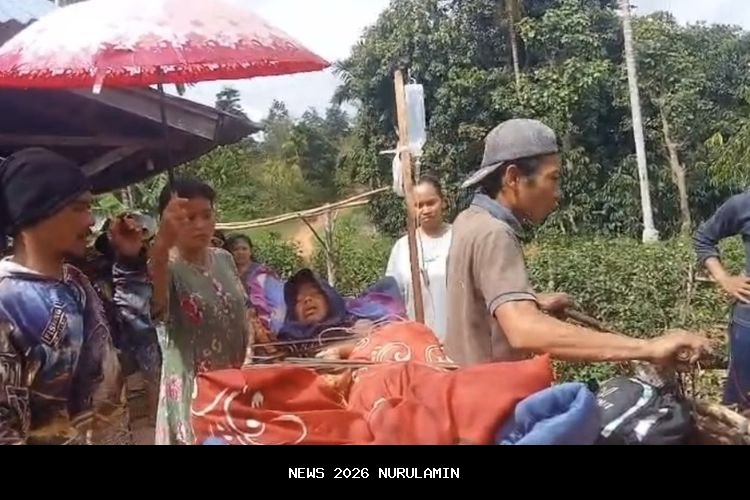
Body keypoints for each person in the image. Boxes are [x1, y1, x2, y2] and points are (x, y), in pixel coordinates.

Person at [445, 118, 710, 367]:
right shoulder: (495, 233)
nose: (557, 193)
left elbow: (478, 298)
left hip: (465, 387)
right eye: (553, 179)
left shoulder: (468, 220)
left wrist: (531, 301)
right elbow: (524, 330)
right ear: (513, 178)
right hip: (495, 394)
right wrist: (648, 347)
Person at [0, 148, 151, 445]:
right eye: (79, 208)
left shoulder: (76, 282)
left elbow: (135, 341)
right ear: (38, 210)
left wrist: (130, 264)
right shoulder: (7, 302)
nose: (91, 221)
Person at [149, 178, 254, 445]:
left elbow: (244, 313)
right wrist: (161, 245)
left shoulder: (224, 259)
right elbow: (155, 302)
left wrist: (250, 359)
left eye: (206, 215)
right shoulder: (165, 269)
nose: (200, 225)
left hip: (234, 385)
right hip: (195, 397)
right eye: (188, 217)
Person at [694, 194, 750, 411]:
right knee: (740, 402)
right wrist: (724, 279)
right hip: (748, 324)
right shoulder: (744, 204)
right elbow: (704, 238)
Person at [386, 175, 452, 341]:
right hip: (417, 344)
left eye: (431, 203)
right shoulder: (403, 247)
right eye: (419, 205)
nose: (426, 210)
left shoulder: (458, 237)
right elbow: (393, 300)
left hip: (457, 341)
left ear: (443, 202)